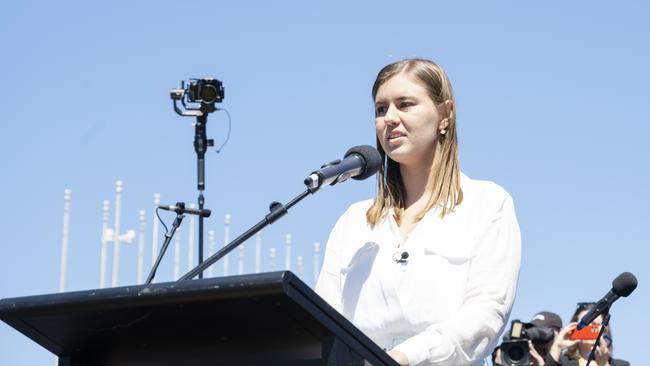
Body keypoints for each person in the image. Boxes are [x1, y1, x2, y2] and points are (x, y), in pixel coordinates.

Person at [315, 59, 521, 365]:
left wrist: (404, 357)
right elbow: (323, 320)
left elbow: (486, 312)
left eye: (405, 104)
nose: (390, 118)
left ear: (445, 115)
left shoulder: (487, 203)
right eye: (381, 109)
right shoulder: (353, 222)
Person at [545, 302, 629, 366]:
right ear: (574, 326)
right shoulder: (562, 361)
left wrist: (604, 364)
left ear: (604, 330)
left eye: (595, 325)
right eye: (585, 324)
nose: (589, 329)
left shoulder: (621, 364)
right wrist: (557, 346)